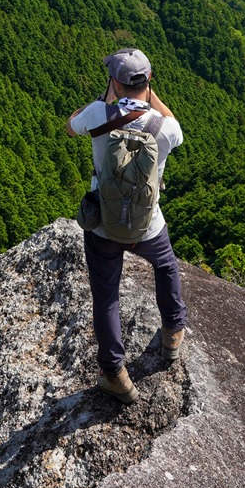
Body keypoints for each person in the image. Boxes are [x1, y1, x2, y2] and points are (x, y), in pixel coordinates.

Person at [66, 47, 187, 404]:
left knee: (106, 296)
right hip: (147, 225)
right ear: (148, 81)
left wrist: (107, 99)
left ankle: (115, 373)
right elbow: (173, 122)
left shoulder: (97, 114)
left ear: (115, 83)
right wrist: (150, 95)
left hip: (103, 225)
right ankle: (172, 334)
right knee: (165, 267)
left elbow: (70, 126)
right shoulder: (165, 128)